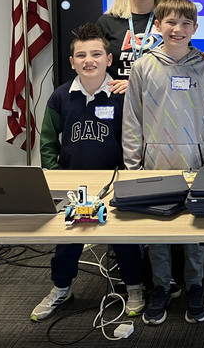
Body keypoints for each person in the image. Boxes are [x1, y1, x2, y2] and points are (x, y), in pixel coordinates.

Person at [122, 0, 204, 326]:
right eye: (170, 22)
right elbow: (132, 121)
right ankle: (162, 286)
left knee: (195, 232)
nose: (178, 29)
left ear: (195, 28)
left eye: (185, 23)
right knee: (158, 233)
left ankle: (196, 286)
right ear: (157, 25)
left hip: (196, 165)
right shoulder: (142, 68)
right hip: (154, 166)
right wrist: (133, 167)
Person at [32, 23, 145, 321]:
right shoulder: (60, 97)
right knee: (69, 240)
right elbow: (47, 140)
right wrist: (57, 176)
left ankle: (134, 287)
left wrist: (129, 178)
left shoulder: (123, 94)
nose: (88, 60)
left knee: (125, 240)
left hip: (115, 184)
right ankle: (61, 288)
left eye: (96, 54)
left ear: (109, 59)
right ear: (72, 62)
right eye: (81, 55)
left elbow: (135, 140)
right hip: (75, 185)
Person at [97, 0, 169, 94]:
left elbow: (181, 68)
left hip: (159, 105)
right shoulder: (107, 22)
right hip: (116, 103)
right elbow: (92, 66)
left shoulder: (170, 22)